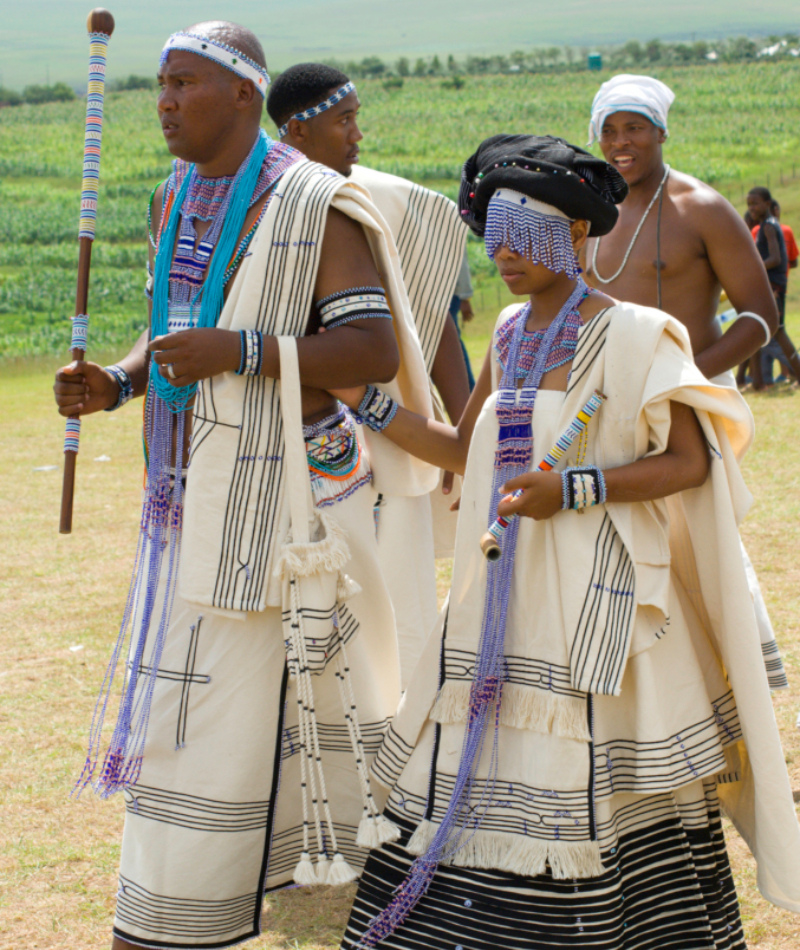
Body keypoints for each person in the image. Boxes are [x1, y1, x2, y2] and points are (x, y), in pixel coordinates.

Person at [333, 134, 800, 949]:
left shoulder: (639, 335)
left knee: (602, 786)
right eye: (494, 234)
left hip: (604, 609)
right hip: (499, 605)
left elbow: (690, 462)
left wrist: (576, 489)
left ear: (578, 236)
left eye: (526, 234)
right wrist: (363, 404)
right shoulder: (509, 333)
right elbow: (462, 449)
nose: (504, 254)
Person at [54, 21, 438, 950]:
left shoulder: (313, 204)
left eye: (185, 83)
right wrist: (120, 380)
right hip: (189, 489)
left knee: (251, 702)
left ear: (242, 94)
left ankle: (187, 907)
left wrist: (248, 351)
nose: (167, 102)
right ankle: (312, 859)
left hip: (290, 502)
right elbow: (175, 325)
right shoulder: (171, 196)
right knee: (239, 697)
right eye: (159, 86)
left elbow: (371, 348)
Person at [584, 74, 788, 692]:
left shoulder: (700, 208)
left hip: (685, 404)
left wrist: (683, 377)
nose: (622, 142)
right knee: (620, 548)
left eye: (635, 128)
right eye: (610, 131)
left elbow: (759, 318)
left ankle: (736, 689)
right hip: (605, 407)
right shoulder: (589, 212)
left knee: (701, 551)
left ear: (661, 131)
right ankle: (655, 699)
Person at [267, 63, 471, 684]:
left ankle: (400, 748)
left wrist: (461, 440)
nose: (358, 135)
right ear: (296, 131)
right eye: (344, 120)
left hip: (389, 433)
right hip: (280, 439)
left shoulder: (393, 201)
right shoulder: (254, 204)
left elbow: (432, 321)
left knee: (395, 602)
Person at [747, 188, 800, 385]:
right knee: (757, 328)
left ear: (768, 204)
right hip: (770, 286)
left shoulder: (769, 227)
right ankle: (758, 382)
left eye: (755, 203)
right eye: (749, 204)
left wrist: (753, 266)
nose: (751, 208)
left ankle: (761, 381)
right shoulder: (766, 226)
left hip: (773, 287)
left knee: (777, 331)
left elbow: (776, 258)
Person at [449, 247, 477, 390]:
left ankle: (468, 391)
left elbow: (460, 258)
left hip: (448, 294)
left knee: (451, 343)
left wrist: (465, 297)